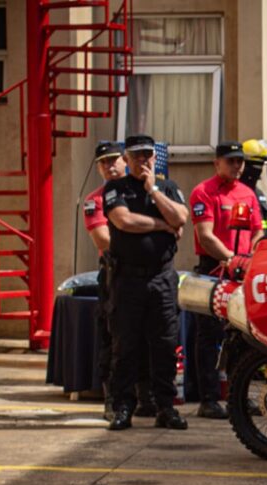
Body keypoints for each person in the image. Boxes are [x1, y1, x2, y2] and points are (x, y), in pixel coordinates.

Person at [102, 134, 189, 431]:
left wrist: (153, 191)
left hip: (161, 277)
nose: (143, 160)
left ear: (155, 157)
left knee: (165, 344)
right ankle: (124, 407)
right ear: (125, 160)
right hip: (128, 279)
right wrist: (163, 225)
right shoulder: (116, 188)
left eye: (147, 155)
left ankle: (166, 407)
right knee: (125, 345)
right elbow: (124, 221)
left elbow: (181, 217)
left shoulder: (167, 188)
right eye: (136, 156)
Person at [189, 140, 263, 418]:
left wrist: (249, 256)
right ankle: (208, 399)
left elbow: (258, 230)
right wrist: (230, 258)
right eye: (230, 161)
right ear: (216, 163)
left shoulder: (248, 193)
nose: (236, 166)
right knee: (209, 337)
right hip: (214, 269)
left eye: (240, 161)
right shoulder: (204, 192)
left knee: (244, 337)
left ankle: (239, 397)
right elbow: (205, 235)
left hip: (243, 271)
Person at [82, 140, 154, 419]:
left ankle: (147, 397)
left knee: (150, 336)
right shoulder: (96, 199)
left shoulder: (145, 191)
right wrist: (143, 239)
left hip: (149, 272)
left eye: (114, 160)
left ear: (125, 160)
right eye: (104, 162)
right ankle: (114, 400)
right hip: (117, 272)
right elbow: (103, 238)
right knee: (115, 338)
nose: (110, 166)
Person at [239, 138, 267, 233]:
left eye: (261, 166)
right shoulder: (236, 194)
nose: (258, 171)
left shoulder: (259, 193)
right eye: (255, 166)